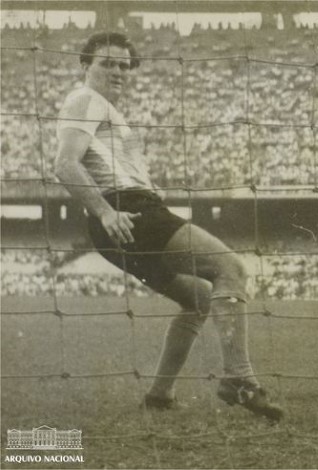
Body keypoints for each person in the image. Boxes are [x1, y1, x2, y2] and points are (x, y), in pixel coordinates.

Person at [54, 32, 283, 421]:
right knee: (232, 268)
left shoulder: (107, 110)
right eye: (107, 63)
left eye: (125, 65)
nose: (118, 71)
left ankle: (160, 395)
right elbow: (64, 164)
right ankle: (238, 378)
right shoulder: (84, 99)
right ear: (84, 66)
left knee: (196, 301)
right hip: (127, 213)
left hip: (121, 219)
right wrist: (106, 211)